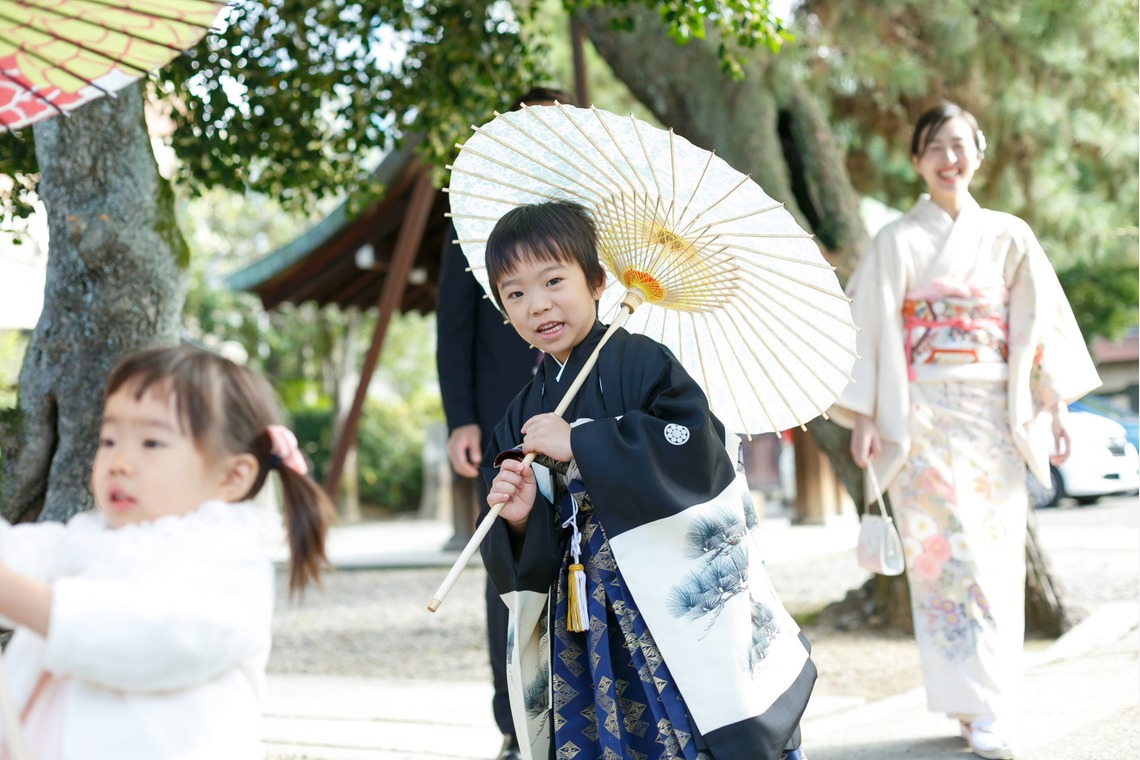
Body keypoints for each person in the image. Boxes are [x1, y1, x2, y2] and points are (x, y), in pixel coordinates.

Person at [477, 200, 814, 760]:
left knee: (691, 727)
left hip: (662, 602)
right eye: (514, 293)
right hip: (582, 614)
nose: (537, 304)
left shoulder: (642, 363)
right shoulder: (521, 412)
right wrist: (518, 517)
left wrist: (583, 440)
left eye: (553, 280)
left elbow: (695, 448)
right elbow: (525, 537)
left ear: (597, 281)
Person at [836, 102, 1100, 759]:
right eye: (935, 148)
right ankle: (975, 705)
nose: (949, 159)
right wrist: (865, 416)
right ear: (918, 162)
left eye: (960, 146)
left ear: (978, 151)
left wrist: (1056, 407)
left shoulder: (1011, 236)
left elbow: (1039, 327)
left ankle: (987, 703)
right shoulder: (896, 240)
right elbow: (866, 332)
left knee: (993, 558)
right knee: (943, 562)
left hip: (994, 418)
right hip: (920, 419)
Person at [0, 345, 333, 758]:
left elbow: (146, 634)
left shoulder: (227, 566)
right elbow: (20, 553)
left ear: (232, 476)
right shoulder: (89, 537)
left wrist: (14, 594)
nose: (119, 461)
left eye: (152, 443)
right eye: (108, 439)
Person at [435, 86, 572, 760]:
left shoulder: (590, 213)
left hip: (578, 405)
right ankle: (515, 721)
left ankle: (581, 701)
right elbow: (453, 322)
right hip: (499, 413)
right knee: (510, 561)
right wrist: (461, 417)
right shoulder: (473, 211)